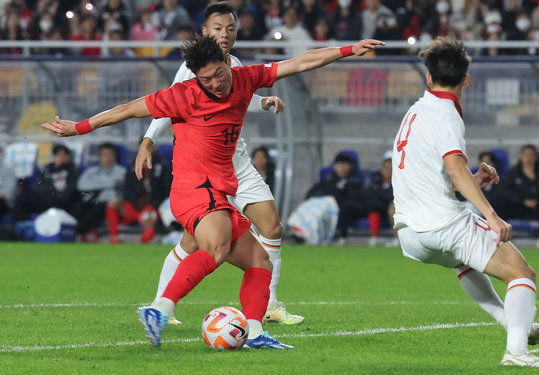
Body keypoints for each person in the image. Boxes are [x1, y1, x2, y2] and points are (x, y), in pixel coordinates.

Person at [41, 34, 384, 349]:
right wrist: (79, 127)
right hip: (192, 189)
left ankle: (255, 333)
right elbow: (127, 109)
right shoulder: (184, 95)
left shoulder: (246, 77)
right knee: (217, 246)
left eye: (219, 74)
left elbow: (300, 62)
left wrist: (348, 50)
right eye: (206, 80)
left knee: (259, 261)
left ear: (225, 61)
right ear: (195, 78)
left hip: (219, 190)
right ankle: (159, 310)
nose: (216, 83)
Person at [391, 36, 539, 367]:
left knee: (465, 261)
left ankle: (514, 326)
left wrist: (471, 181)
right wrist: (491, 215)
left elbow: (432, 174)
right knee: (523, 274)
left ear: (428, 77)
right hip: (443, 225)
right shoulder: (446, 114)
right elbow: (454, 168)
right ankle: (517, 353)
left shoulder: (415, 111)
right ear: (467, 80)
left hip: (410, 234)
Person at [135, 2, 301, 327]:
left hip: (237, 162)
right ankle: (160, 305)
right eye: (217, 28)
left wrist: (263, 103)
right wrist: (148, 140)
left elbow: (236, 95)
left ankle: (269, 304)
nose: (224, 35)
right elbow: (166, 104)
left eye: (230, 29)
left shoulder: (233, 64)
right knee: (196, 241)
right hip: (207, 171)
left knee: (271, 227)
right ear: (204, 32)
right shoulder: (193, 68)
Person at [106, 145, 172, 244]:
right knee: (112, 203)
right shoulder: (133, 166)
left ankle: (145, 239)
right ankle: (115, 236)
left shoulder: (163, 166)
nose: (146, 150)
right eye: (143, 147)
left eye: (149, 147)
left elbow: (167, 191)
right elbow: (127, 189)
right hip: (133, 206)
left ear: (154, 148)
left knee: (148, 216)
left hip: (152, 207)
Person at [496, 145, 539, 249]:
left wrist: (533, 177)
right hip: (519, 207)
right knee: (500, 205)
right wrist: (522, 200)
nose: (528, 158)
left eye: (532, 155)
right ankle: (500, 236)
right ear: (520, 156)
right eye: (526, 155)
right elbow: (505, 190)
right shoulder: (513, 173)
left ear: (536, 157)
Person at [305, 151, 364, 245]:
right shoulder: (327, 180)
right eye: (340, 164)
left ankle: (342, 237)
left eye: (345, 165)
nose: (342, 167)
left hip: (348, 208)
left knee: (344, 208)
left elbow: (355, 200)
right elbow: (310, 194)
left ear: (351, 167)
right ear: (334, 166)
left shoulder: (354, 182)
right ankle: (304, 234)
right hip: (326, 209)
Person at [73, 143, 126, 242]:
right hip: (91, 202)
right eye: (104, 154)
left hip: (110, 204)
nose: (107, 157)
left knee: (99, 208)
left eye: (110, 154)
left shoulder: (121, 171)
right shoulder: (91, 171)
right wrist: (105, 183)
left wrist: (94, 182)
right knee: (77, 206)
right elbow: (81, 185)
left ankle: (81, 232)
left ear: (115, 156)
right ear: (99, 157)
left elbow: (113, 183)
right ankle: (78, 232)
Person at [13, 144, 80, 223]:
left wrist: (51, 191)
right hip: (43, 200)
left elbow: (68, 193)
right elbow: (36, 187)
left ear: (68, 157)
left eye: (62, 155)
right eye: (56, 154)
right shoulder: (47, 171)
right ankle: (19, 227)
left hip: (60, 203)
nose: (59, 157)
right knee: (21, 200)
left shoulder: (72, 172)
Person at [365, 150, 396, 246]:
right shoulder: (376, 176)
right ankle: (375, 237)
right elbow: (370, 191)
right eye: (387, 162)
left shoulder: (399, 177)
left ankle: (397, 239)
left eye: (391, 162)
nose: (389, 165)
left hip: (392, 204)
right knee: (372, 206)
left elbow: (391, 195)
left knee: (393, 209)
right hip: (379, 205)